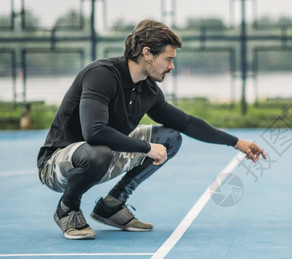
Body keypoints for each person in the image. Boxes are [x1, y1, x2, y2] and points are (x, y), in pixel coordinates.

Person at [37, 20, 266, 240]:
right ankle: (67, 209)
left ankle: (112, 204)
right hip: (57, 165)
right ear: (146, 53)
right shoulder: (101, 75)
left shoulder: (148, 89)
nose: (171, 66)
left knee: (170, 137)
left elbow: (185, 123)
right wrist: (146, 148)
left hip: (101, 154)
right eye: (168, 59)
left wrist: (237, 143)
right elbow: (94, 133)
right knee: (101, 151)